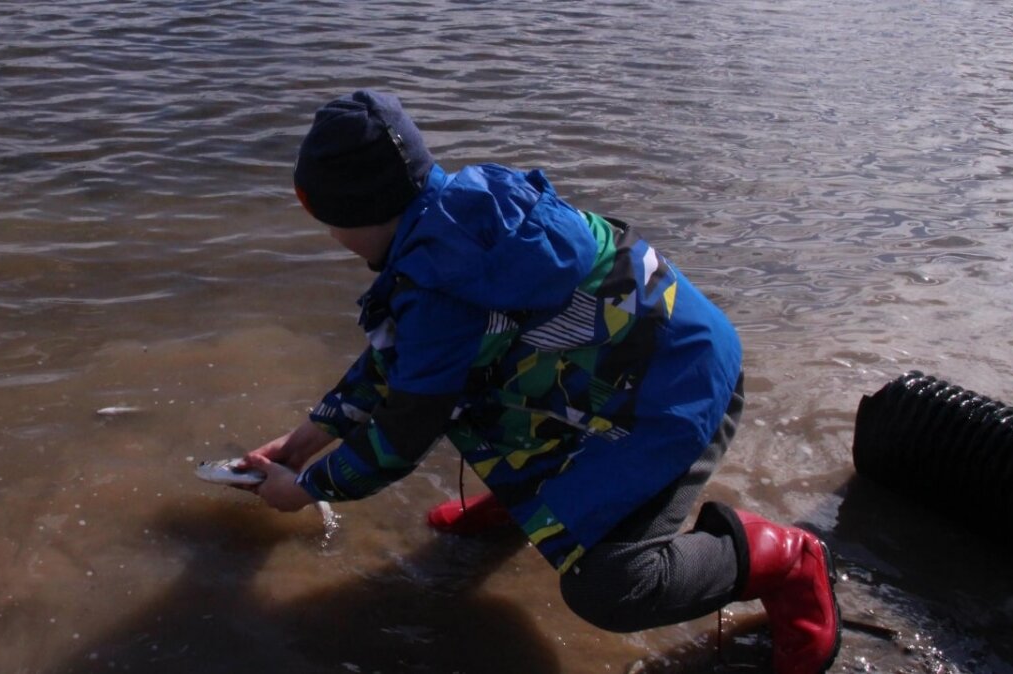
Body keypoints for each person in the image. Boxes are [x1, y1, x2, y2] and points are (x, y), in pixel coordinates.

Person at [242, 90, 840, 674]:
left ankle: (783, 562)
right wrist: (307, 438)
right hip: (656, 355)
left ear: (363, 213)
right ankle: (523, 505)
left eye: (330, 222)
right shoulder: (461, 216)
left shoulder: (439, 288)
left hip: (673, 393)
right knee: (481, 390)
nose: (331, 238)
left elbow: (400, 438)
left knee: (609, 587)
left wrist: (309, 487)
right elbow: (398, 360)